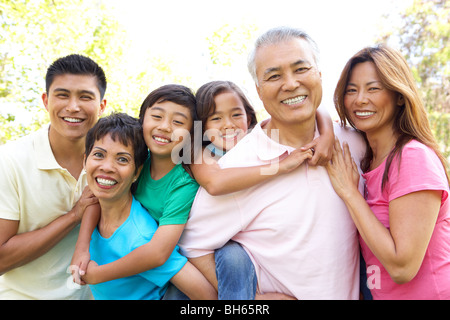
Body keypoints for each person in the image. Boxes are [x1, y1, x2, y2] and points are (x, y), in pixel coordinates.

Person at [178, 26, 367, 299]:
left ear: (320, 75)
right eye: (274, 75)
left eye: (301, 69)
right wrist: (254, 299)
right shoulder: (238, 167)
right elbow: (193, 244)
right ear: (259, 90)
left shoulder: (355, 142)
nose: (290, 84)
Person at [187, 80, 334, 300]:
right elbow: (215, 184)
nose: (228, 125)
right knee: (232, 256)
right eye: (216, 118)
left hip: (260, 256)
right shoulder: (201, 153)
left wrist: (328, 134)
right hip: (210, 252)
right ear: (202, 126)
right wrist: (280, 166)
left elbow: (315, 109)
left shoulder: (259, 138)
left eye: (236, 115)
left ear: (248, 116)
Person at [326, 44, 450, 299]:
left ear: (399, 96)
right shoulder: (366, 161)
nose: (360, 99)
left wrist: (350, 194)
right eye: (351, 90)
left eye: (374, 88)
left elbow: (402, 267)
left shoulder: (412, 157)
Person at [71, 85, 212, 297]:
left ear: (191, 133)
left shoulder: (183, 184)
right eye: (157, 116)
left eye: (178, 122)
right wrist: (82, 248)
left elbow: (157, 253)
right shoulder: (139, 158)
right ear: (142, 119)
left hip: (175, 254)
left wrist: (99, 274)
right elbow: (95, 197)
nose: (165, 127)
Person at [0, 54, 107, 299]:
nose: (73, 106)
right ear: (46, 101)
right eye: (62, 95)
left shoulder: (118, 162)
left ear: (101, 106)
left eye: (85, 97)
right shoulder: (9, 161)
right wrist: (74, 216)